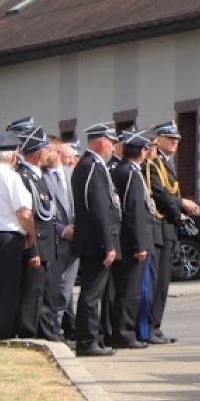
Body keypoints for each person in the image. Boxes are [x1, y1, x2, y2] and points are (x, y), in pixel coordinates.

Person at [71, 124, 121, 357]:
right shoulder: (91, 166)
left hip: (96, 239)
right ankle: (87, 341)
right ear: (102, 141)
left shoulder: (94, 165)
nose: (113, 147)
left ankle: (94, 337)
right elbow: (98, 208)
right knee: (91, 294)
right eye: (111, 142)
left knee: (95, 293)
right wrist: (107, 244)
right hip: (95, 241)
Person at [144, 122, 196, 345]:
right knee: (156, 282)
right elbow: (159, 193)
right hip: (161, 225)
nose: (175, 142)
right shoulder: (152, 164)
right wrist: (180, 207)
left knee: (163, 282)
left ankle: (155, 326)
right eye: (170, 138)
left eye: (177, 139)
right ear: (157, 140)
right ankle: (149, 327)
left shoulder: (165, 163)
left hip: (168, 227)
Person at [107, 128, 157, 350]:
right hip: (131, 241)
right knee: (129, 290)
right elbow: (134, 211)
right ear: (142, 151)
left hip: (127, 239)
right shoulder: (130, 173)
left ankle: (122, 331)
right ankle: (124, 333)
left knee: (126, 288)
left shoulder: (125, 170)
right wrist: (140, 244)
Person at [14, 125, 63, 341]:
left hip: (47, 244)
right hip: (36, 244)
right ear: (37, 152)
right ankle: (29, 332)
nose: (48, 153)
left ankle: (45, 330)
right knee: (32, 293)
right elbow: (28, 216)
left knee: (46, 292)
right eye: (45, 149)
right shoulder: (24, 176)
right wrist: (33, 249)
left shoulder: (37, 175)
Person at [0, 131, 33, 340]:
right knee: (7, 287)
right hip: (7, 236)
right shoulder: (11, 176)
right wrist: (31, 233)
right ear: (13, 156)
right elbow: (24, 212)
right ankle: (3, 332)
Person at [48, 138, 78, 340]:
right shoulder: (42, 176)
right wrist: (61, 230)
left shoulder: (72, 174)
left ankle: (61, 329)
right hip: (55, 240)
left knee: (67, 290)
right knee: (55, 288)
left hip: (75, 240)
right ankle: (54, 330)